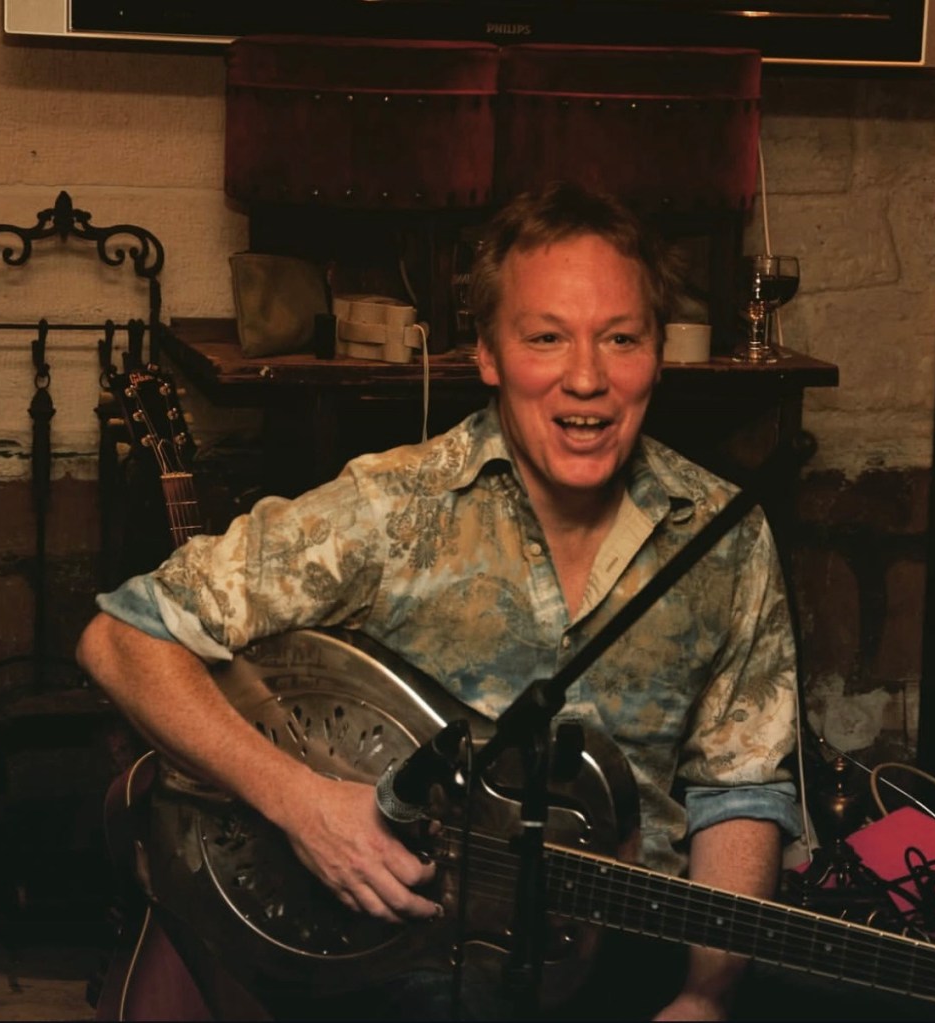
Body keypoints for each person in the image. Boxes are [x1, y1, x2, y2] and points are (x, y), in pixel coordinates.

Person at [76, 179, 801, 1021]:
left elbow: (739, 786)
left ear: (659, 352)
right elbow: (121, 638)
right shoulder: (392, 509)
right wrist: (302, 804)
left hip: (629, 961)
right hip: (406, 971)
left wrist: (707, 994)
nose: (587, 378)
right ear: (489, 354)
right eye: (546, 337)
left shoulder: (724, 535)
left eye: (621, 338)